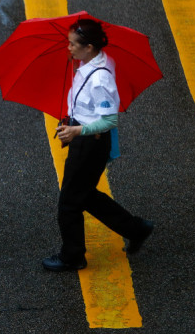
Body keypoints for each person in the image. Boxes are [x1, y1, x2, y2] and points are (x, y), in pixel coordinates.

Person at [42, 19, 154, 272]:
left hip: (90, 145)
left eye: (72, 44)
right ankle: (136, 228)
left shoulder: (99, 80)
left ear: (89, 47)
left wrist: (76, 130)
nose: (68, 48)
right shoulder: (90, 62)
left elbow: (109, 120)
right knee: (85, 194)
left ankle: (72, 256)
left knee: (69, 203)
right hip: (85, 139)